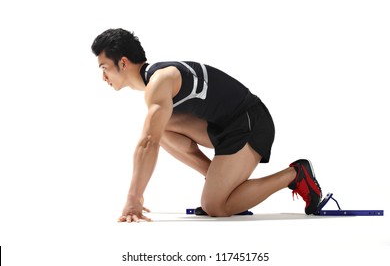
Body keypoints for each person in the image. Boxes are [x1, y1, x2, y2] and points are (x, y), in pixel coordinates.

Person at [91, 28, 322, 223]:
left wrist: (134, 199)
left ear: (123, 63)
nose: (103, 77)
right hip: (224, 126)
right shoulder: (156, 80)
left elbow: (147, 143)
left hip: (251, 122)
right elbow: (154, 136)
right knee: (160, 127)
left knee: (215, 206)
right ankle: (219, 180)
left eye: (104, 68)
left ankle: (294, 174)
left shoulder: (160, 80)